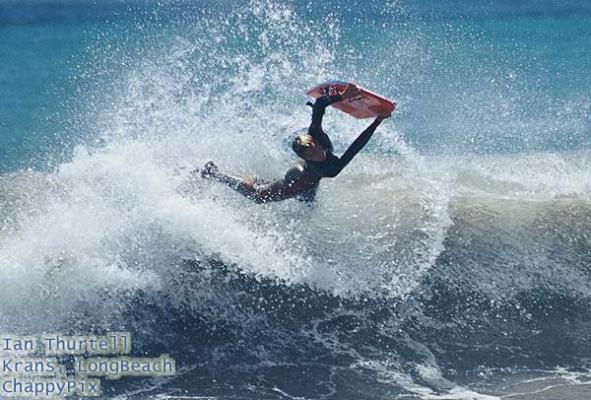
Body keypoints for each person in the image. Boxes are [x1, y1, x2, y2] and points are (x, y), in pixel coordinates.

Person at [199, 83, 391, 203]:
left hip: (312, 182)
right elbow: (356, 147)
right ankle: (215, 174)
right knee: (259, 195)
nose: (315, 149)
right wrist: (376, 122)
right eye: (309, 152)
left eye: (313, 146)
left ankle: (250, 177)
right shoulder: (330, 168)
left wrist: (343, 96)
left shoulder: (315, 134)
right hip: (299, 180)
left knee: (307, 207)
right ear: (305, 156)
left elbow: (321, 104)